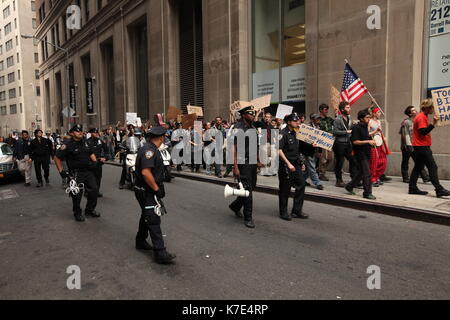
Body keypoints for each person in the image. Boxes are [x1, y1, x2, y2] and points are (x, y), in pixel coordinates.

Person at [134, 126, 176, 265]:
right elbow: (146, 173)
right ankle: (160, 253)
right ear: (161, 137)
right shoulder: (149, 151)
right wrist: (156, 188)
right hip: (147, 190)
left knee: (146, 215)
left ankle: (140, 241)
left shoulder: (150, 148)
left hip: (146, 189)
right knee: (153, 219)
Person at [54, 125, 100, 222]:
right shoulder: (67, 144)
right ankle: (77, 213)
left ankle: (89, 210)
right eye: (77, 131)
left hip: (87, 171)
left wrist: (95, 162)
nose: (80, 132)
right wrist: (61, 171)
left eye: (81, 131)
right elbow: (57, 158)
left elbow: (91, 153)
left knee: (94, 189)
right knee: (77, 194)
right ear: (71, 133)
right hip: (76, 173)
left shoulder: (85, 142)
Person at [408, 99, 450, 198]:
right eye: (432, 107)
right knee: (433, 167)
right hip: (422, 147)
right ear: (427, 108)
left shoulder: (422, 116)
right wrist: (433, 123)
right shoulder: (421, 117)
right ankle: (439, 189)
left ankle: (412, 188)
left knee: (418, 167)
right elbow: (423, 132)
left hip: (419, 146)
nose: (433, 109)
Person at [228, 105, 261, 229]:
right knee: (248, 191)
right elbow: (234, 148)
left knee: (252, 187)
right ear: (243, 115)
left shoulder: (252, 127)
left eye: (253, 114)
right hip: (243, 163)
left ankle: (235, 206)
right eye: (250, 114)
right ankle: (248, 218)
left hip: (252, 162)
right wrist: (235, 167)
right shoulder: (238, 128)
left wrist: (257, 160)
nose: (253, 116)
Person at [278, 113, 308, 221]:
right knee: (285, 189)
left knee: (301, 184)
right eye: (295, 121)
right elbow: (279, 150)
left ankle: (296, 211)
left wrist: (301, 163)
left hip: (296, 164)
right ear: (289, 122)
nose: (298, 122)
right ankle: (283, 212)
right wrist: (288, 163)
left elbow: (297, 150)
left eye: (298, 120)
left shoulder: (297, 132)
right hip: (286, 164)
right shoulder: (283, 133)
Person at [345, 109, 377, 200]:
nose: (369, 119)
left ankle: (350, 186)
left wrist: (372, 138)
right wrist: (368, 141)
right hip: (360, 154)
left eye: (369, 117)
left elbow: (365, 137)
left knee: (361, 173)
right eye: (367, 117)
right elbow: (355, 141)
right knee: (367, 173)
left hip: (367, 152)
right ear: (361, 118)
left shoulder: (365, 126)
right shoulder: (356, 128)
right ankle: (367, 192)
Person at [400, 106, 430, 183]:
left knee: (418, 161)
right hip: (407, 146)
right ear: (409, 113)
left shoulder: (417, 120)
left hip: (415, 144)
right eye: (413, 110)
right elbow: (405, 134)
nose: (415, 110)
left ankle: (425, 177)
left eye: (415, 109)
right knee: (405, 161)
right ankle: (405, 177)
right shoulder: (406, 122)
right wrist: (409, 145)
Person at [333, 101, 358, 187]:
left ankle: (354, 179)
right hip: (339, 144)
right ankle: (338, 180)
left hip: (348, 143)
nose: (349, 109)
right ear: (342, 109)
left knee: (353, 160)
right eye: (347, 108)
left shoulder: (350, 118)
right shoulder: (337, 119)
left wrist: (354, 125)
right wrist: (346, 131)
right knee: (339, 162)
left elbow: (351, 128)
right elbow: (335, 132)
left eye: (349, 107)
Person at [301, 114, 324, 190]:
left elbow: (320, 140)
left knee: (309, 168)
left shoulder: (319, 127)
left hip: (315, 150)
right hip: (308, 150)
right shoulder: (307, 127)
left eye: (319, 119)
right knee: (312, 167)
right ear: (312, 119)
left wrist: (320, 151)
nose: (318, 120)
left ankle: (301, 180)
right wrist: (311, 144)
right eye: (316, 118)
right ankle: (317, 183)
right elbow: (303, 140)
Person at [87, 128, 108, 197]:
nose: (96, 134)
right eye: (94, 133)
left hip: (98, 162)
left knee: (98, 177)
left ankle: (96, 191)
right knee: (90, 177)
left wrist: (105, 157)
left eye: (97, 132)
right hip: (90, 162)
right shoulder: (87, 141)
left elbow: (106, 149)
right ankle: (88, 191)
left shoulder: (100, 141)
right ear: (91, 133)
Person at [318, 104, 334, 181]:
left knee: (330, 158)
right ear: (320, 110)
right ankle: (321, 173)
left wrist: (337, 114)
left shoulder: (330, 119)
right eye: (325, 109)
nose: (326, 111)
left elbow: (336, 123)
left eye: (327, 109)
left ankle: (319, 169)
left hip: (329, 140)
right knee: (323, 159)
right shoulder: (318, 119)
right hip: (322, 141)